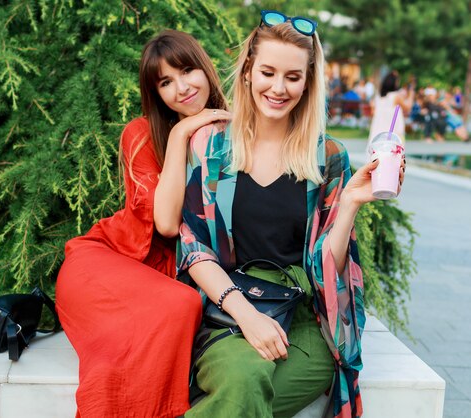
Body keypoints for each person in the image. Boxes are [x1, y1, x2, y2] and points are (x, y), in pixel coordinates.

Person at [178, 10, 405, 418]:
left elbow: (328, 268)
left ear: (308, 82)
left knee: (274, 383)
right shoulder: (210, 146)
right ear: (248, 72)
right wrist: (247, 317)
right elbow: (194, 249)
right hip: (228, 305)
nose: (278, 88)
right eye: (267, 72)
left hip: (302, 314)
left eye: (293, 77)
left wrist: (350, 203)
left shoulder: (328, 156)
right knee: (244, 380)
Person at [55, 30, 231, 418]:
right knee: (180, 305)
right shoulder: (142, 134)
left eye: (187, 71)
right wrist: (183, 132)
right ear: (156, 94)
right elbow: (166, 225)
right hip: (105, 263)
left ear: (205, 68)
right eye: (166, 82)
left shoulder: (235, 132)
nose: (182, 88)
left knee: (172, 312)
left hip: (169, 280)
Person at [368, 71, 414, 143]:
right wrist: (411, 93)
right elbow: (408, 108)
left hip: (378, 129)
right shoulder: (395, 96)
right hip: (393, 130)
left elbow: (373, 111)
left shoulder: (378, 97)